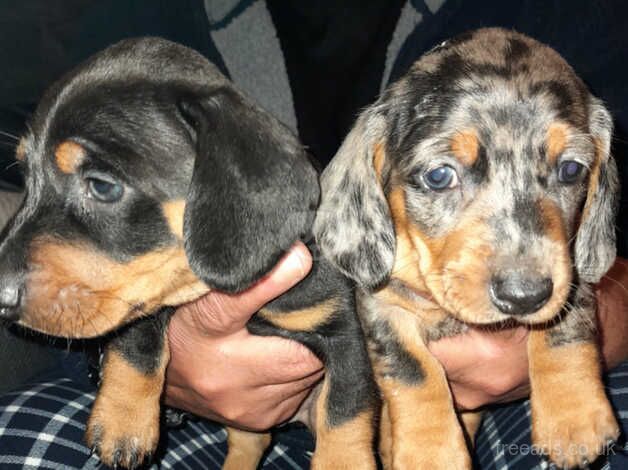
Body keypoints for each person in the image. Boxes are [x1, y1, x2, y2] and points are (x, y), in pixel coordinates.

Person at [0, 1, 626, 469]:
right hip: (187, 400)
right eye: (438, 174)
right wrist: (122, 357)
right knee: (23, 447)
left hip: (522, 394)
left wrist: (604, 321)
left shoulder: (557, 41)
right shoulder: (115, 44)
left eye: (569, 169)